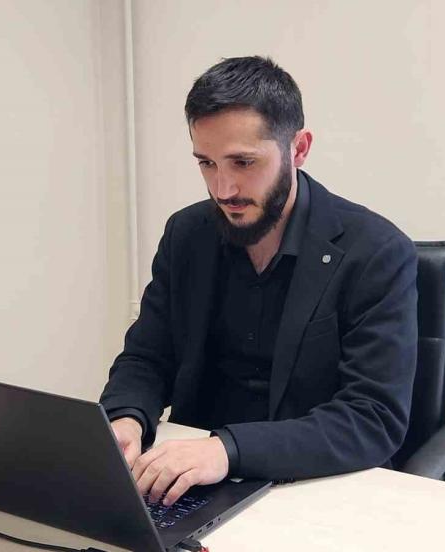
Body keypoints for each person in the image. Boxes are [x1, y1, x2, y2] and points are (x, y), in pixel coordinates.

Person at [100, 56, 417, 507]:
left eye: (243, 162)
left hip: (313, 486)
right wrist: (126, 419)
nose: (223, 189)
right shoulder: (187, 234)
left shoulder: (376, 252)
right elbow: (148, 356)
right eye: (206, 163)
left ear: (298, 149)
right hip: (193, 481)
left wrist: (226, 450)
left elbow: (372, 418)